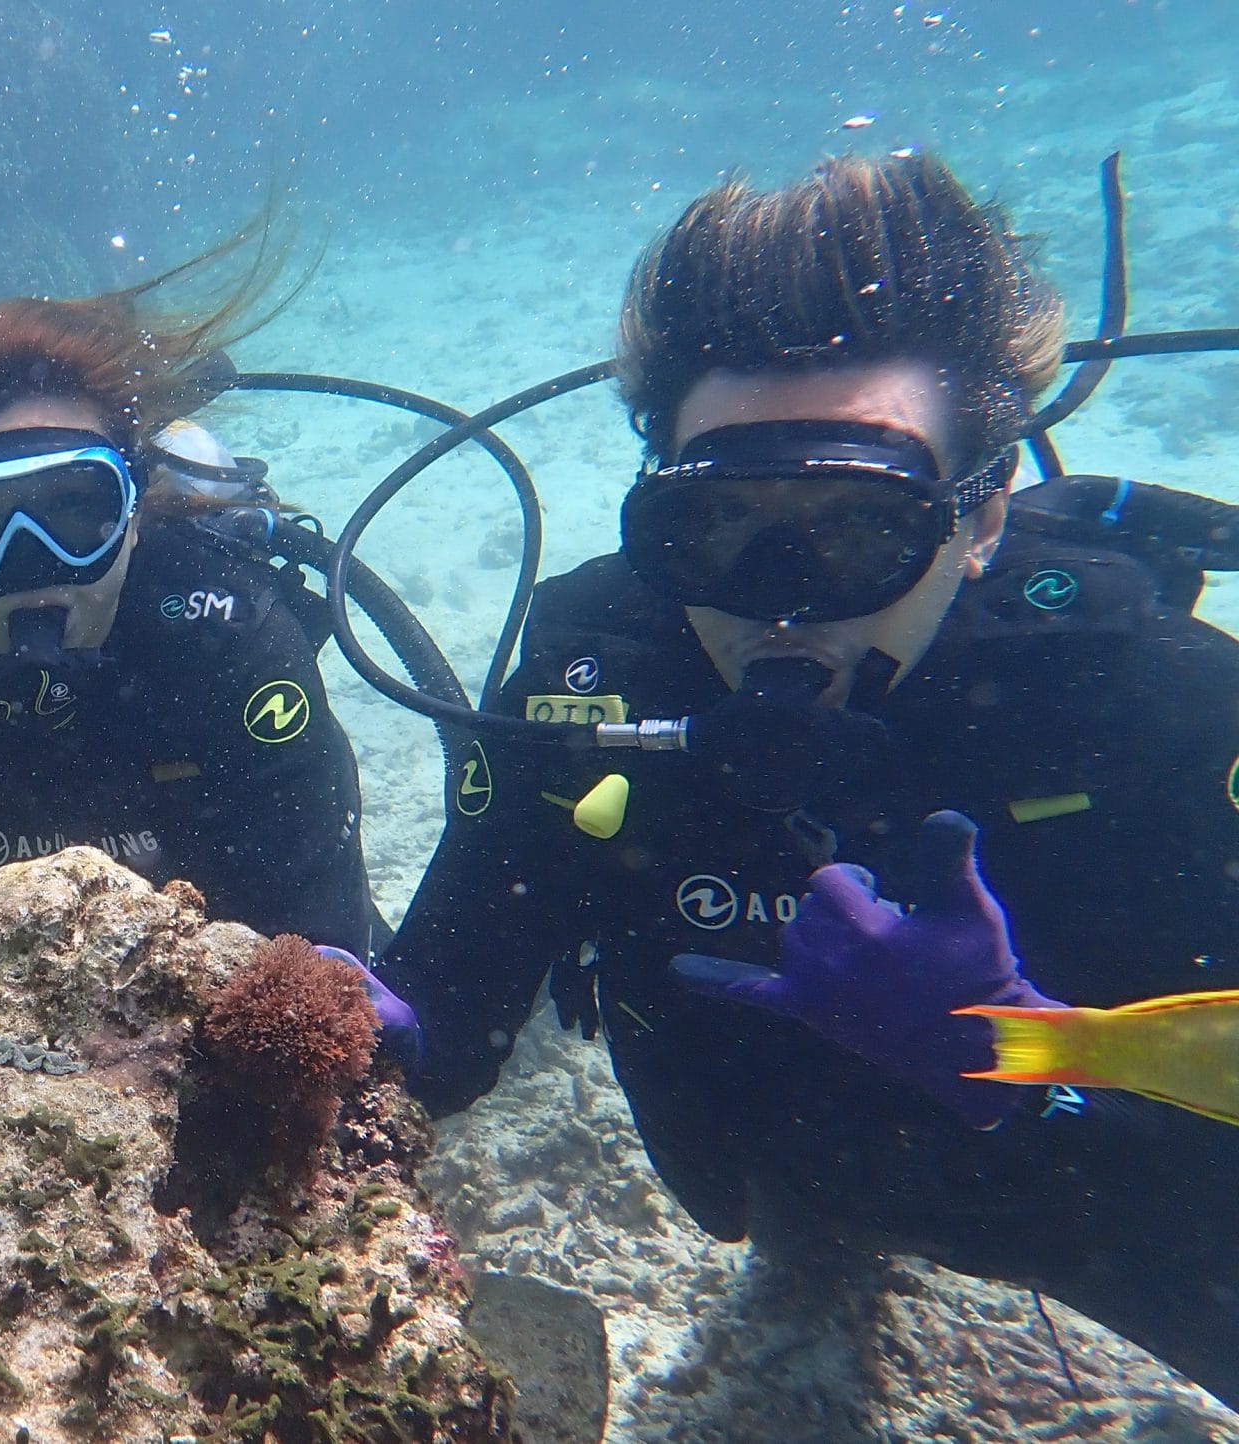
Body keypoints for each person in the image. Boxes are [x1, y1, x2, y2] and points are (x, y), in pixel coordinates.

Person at [373, 152, 1239, 1401]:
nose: (779, 606)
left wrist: (1035, 1066)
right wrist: (377, 1022)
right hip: (774, 1172)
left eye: (858, 528)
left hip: (1090, 1206)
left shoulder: (1152, 707)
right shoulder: (591, 682)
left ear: (981, 516)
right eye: (719, 528)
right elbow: (444, 1018)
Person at [0, 247, 399, 1022]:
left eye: (72, 506)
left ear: (132, 503)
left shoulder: (231, 639)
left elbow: (318, 940)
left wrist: (329, 997)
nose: (28, 564)